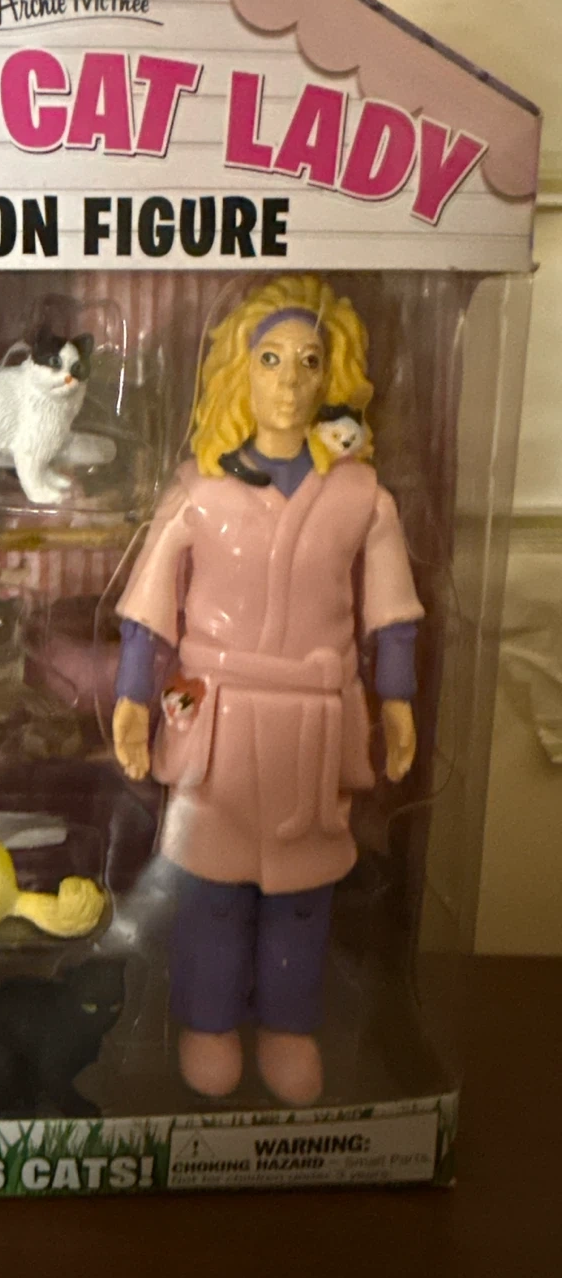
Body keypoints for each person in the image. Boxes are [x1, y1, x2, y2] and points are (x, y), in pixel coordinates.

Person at [112, 274, 423, 1105]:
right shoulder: (200, 491)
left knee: (303, 894)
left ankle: (289, 1026)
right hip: (213, 708)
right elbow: (149, 608)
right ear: (238, 373)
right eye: (271, 359)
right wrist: (134, 698)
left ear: (332, 376)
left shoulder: (360, 496)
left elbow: (392, 614)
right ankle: (207, 1022)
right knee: (211, 890)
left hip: (314, 715)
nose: (289, 381)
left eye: (308, 361)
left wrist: (396, 701)